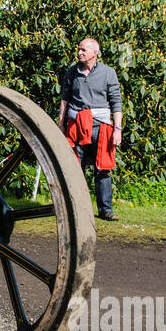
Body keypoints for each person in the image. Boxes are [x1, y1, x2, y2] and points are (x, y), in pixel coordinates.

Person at [59, 37, 123, 221]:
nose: (79, 52)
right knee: (74, 168)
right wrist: (61, 123)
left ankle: (105, 210)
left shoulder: (108, 73)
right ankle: (76, 209)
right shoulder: (72, 72)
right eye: (79, 49)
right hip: (76, 127)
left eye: (83, 50)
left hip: (101, 128)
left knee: (102, 168)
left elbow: (116, 102)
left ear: (94, 53)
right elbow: (65, 99)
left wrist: (117, 129)